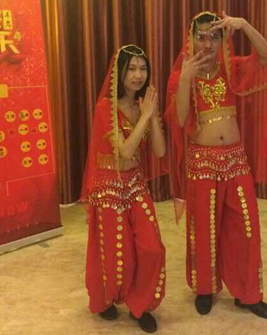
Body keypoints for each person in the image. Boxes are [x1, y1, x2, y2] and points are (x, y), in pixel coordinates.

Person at [164, 11, 267, 320]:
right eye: (200, 36)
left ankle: (248, 294)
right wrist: (185, 78)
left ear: (223, 40)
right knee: (204, 228)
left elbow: (266, 56)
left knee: (247, 227)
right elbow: (180, 119)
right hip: (202, 162)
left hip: (236, 160)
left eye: (214, 36)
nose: (207, 43)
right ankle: (205, 289)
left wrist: (245, 25)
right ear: (190, 39)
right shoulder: (180, 76)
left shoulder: (232, 68)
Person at [80, 45, 167, 333]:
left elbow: (160, 150)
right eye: (132, 69)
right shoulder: (106, 108)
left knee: (152, 248)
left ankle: (140, 305)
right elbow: (126, 150)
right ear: (120, 72)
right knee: (120, 257)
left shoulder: (144, 105)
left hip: (135, 185)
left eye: (143, 69)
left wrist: (151, 116)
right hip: (109, 187)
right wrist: (145, 116)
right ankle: (105, 299)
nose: (138, 75)